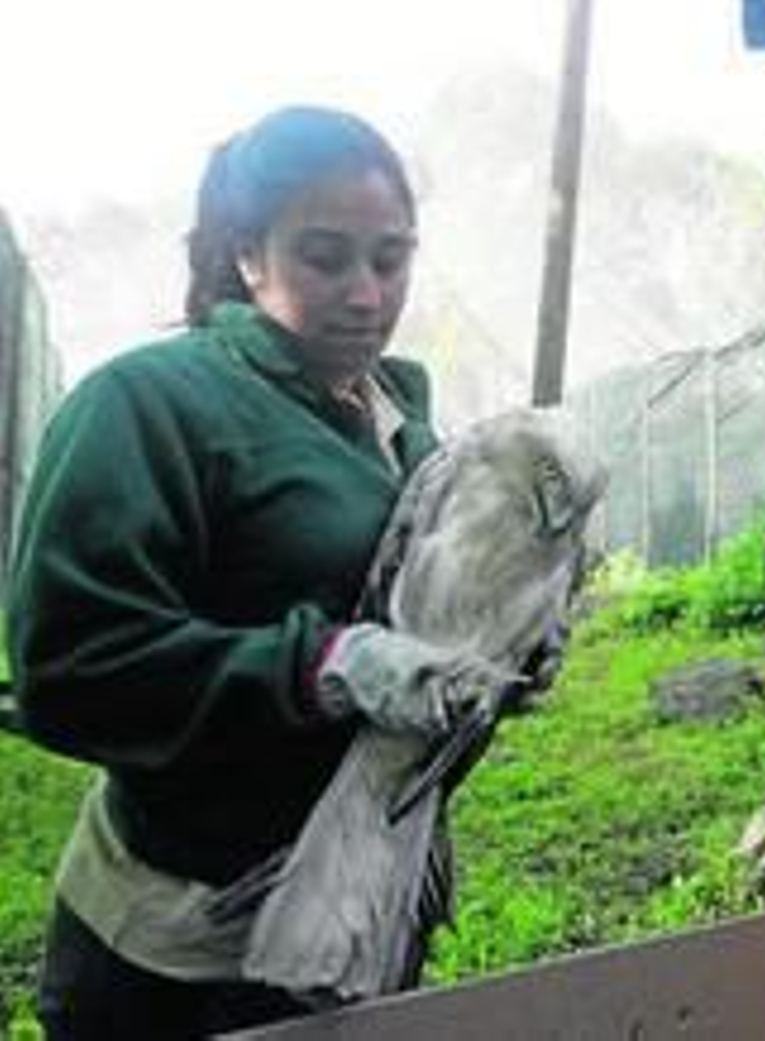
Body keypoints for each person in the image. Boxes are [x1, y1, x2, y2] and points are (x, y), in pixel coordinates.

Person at [5, 105, 525, 1038]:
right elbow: (69, 669)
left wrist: (498, 650)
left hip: (357, 913)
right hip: (179, 949)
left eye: (390, 256)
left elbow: (425, 632)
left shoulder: (405, 428)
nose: (366, 292)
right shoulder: (149, 406)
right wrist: (321, 667)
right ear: (250, 255)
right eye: (326, 257)